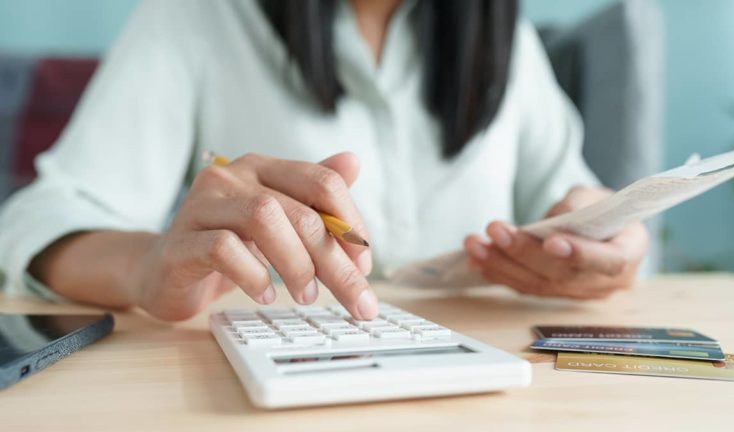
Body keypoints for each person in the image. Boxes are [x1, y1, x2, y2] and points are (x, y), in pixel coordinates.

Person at [0, 0, 648, 321]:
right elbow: (37, 219)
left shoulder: (506, 34)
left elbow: (578, 203)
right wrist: (148, 268)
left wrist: (605, 236)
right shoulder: (198, 16)